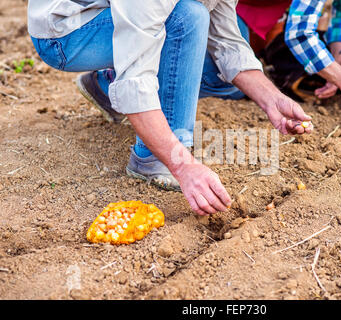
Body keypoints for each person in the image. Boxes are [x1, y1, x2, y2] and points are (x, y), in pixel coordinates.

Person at [27, 0, 314, 216]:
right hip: (64, 31)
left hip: (122, 13)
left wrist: (272, 100)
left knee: (199, 30)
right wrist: (184, 166)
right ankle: (152, 157)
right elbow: (136, 78)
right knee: (186, 18)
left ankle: (105, 88)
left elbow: (226, 40)